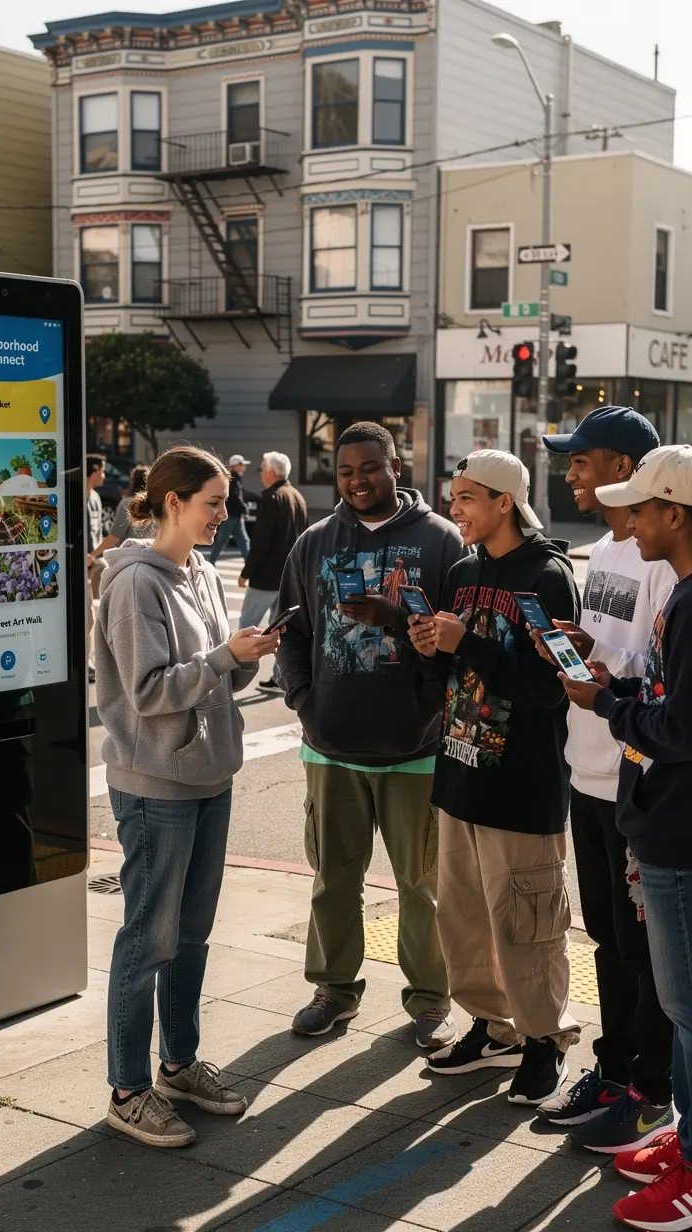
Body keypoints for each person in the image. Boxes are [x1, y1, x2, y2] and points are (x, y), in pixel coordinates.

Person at [95, 445, 280, 1149]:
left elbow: (212, 677)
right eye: (213, 502)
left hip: (209, 775)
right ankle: (127, 1088)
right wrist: (226, 658)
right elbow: (146, 692)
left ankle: (176, 1064)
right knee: (148, 938)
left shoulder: (200, 570)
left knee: (191, 935)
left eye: (227, 501)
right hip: (155, 785)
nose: (224, 515)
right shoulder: (134, 583)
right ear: (173, 502)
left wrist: (242, 655)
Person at [276, 421, 467, 1048]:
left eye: (370, 467)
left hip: (416, 750)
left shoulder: (442, 543)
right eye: (346, 471)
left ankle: (432, 999)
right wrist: (306, 704)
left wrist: (428, 699)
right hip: (332, 747)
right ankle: (333, 990)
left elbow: (455, 644)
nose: (359, 480)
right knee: (334, 877)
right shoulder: (313, 542)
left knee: (423, 885)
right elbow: (294, 635)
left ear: (396, 466)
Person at [409, 450, 582, 1106]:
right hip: (459, 773)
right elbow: (446, 676)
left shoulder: (550, 577)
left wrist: (467, 644)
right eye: (453, 496)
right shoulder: (460, 571)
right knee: (464, 918)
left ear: (505, 500)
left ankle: (545, 1042)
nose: (455, 508)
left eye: (468, 497)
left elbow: (552, 688)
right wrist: (426, 650)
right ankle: (492, 1026)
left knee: (528, 924)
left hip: (523, 783)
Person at [528, 408, 675, 1154]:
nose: (570, 474)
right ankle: (615, 1072)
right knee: (607, 940)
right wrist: (582, 647)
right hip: (587, 768)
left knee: (643, 948)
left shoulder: (661, 556)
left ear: (624, 469)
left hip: (630, 777)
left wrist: (607, 678)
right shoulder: (611, 550)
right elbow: (616, 650)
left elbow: (658, 681)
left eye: (580, 461)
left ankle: (649, 1091)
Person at [560, 444, 692, 1231]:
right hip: (666, 823)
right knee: (681, 1007)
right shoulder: (680, 595)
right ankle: (683, 1141)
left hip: (679, 830)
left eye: (641, 509)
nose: (629, 522)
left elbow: (678, 730)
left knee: (686, 1005)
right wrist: (623, 687)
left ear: (674, 512)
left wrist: (611, 708)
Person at [238, 451, 308, 691]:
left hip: (266, 575)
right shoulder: (297, 496)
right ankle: (281, 677)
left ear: (272, 472)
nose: (260, 474)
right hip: (288, 575)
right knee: (281, 628)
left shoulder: (272, 498)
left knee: (247, 623)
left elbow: (260, 541)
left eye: (262, 469)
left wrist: (246, 571)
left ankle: (232, 670)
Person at [209, 453, 251, 564]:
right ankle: (210, 563)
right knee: (223, 541)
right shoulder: (233, 479)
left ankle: (250, 566)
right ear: (236, 465)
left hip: (235, 516)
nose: (244, 467)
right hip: (232, 516)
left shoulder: (233, 478)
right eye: (242, 464)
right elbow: (236, 497)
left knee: (243, 541)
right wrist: (244, 508)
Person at [86, 453, 106, 683]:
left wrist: (96, 555)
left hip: (93, 562)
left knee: (91, 616)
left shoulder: (96, 498)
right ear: (93, 471)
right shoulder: (75, 498)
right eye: (102, 470)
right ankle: (86, 660)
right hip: (81, 564)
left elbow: (97, 530)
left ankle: (89, 659)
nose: (104, 475)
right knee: (88, 617)